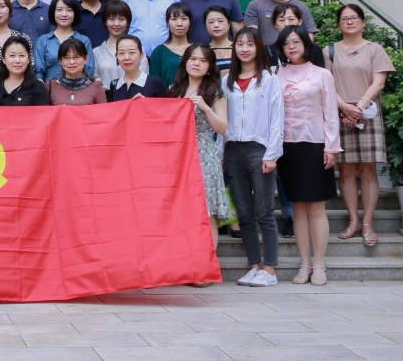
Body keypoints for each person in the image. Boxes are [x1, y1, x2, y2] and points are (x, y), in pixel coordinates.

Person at [275, 25, 342, 286]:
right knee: (298, 209)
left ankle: (320, 265)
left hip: (315, 145)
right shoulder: (275, 73)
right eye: (286, 44)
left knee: (316, 207)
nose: (291, 47)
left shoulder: (322, 74)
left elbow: (330, 112)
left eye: (296, 42)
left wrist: (331, 147)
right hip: (286, 146)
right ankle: (304, 265)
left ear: (306, 43)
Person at [222, 27, 284, 288]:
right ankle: (254, 266)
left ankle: (269, 269)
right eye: (240, 44)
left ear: (259, 48)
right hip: (233, 151)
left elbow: (277, 118)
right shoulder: (227, 81)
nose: (244, 49)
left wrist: (272, 154)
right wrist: (221, 154)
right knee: (244, 213)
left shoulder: (269, 79)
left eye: (250, 44)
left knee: (264, 211)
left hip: (259, 149)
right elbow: (222, 120)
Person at [329, 4, 395, 248]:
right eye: (344, 18)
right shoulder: (329, 51)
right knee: (345, 170)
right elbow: (326, 83)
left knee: (368, 169)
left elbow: (379, 83)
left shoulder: (375, 49)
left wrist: (358, 108)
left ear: (363, 22)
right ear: (339, 24)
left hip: (367, 113)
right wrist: (344, 109)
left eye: (354, 18)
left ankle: (368, 223)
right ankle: (353, 221)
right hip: (339, 113)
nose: (349, 21)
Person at [167, 44, 230, 261]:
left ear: (210, 66)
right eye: (193, 59)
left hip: (204, 153)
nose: (197, 64)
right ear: (185, 61)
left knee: (206, 211)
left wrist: (205, 106)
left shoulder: (214, 92)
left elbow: (223, 128)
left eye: (203, 60)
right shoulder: (174, 89)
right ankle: (187, 263)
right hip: (178, 155)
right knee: (182, 212)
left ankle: (207, 265)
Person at [34, 0, 95, 83]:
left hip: (79, 88)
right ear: (53, 12)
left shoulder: (84, 40)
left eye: (69, 10)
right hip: (50, 89)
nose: (64, 14)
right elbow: (39, 73)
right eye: (59, 10)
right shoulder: (43, 41)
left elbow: (89, 70)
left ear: (75, 13)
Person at [92, 0, 151, 87]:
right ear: (105, 22)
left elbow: (144, 75)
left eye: (121, 19)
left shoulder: (137, 48)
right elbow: (95, 80)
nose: (116, 24)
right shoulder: (96, 52)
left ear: (128, 22)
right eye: (111, 19)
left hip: (134, 93)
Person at [0, 36, 49, 106]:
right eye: (12, 55)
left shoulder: (38, 87)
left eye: (21, 55)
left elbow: (43, 112)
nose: (17, 60)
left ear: (28, 59)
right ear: (4, 59)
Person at [46, 38, 107, 105]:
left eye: (76, 57)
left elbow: (103, 111)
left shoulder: (96, 86)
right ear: (60, 61)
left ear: (86, 59)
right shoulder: (51, 86)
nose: (72, 62)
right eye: (66, 58)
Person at [149, 2, 194, 88]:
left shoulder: (198, 50)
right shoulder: (159, 52)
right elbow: (154, 85)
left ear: (190, 22)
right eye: (174, 19)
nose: (179, 23)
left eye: (184, 18)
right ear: (167, 22)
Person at [106, 35, 165, 101]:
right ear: (116, 56)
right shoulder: (114, 85)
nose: (126, 57)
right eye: (121, 53)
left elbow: (164, 106)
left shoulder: (154, 82)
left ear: (141, 55)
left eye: (131, 52)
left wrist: (144, 103)